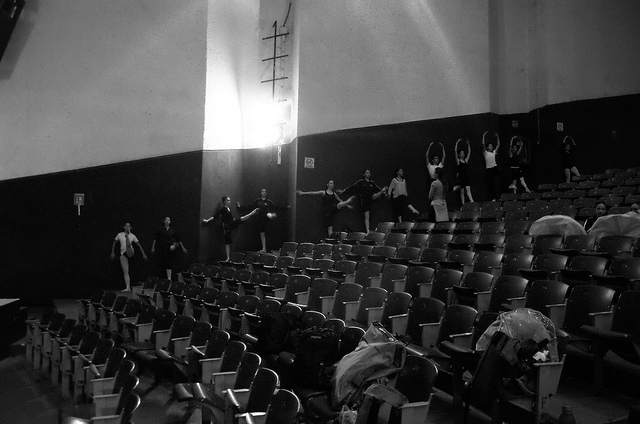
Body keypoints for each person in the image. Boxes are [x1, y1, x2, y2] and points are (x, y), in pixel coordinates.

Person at [202, 196, 258, 261]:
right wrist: (207, 220)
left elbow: (230, 217)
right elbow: (215, 216)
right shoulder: (223, 209)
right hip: (227, 226)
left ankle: (252, 213)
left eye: (229, 200)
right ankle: (228, 257)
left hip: (232, 223)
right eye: (228, 200)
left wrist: (234, 220)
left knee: (242, 219)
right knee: (227, 242)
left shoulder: (229, 209)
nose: (230, 201)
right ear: (224, 202)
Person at [110, 222, 148, 292]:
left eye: (129, 226)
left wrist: (144, 254)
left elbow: (138, 245)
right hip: (123, 253)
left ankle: (127, 237)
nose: (127, 227)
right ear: (124, 227)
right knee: (125, 271)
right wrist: (112, 252)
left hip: (130, 252)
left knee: (128, 246)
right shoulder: (120, 234)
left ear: (130, 228)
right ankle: (128, 287)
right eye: (126, 226)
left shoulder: (133, 236)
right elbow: (114, 243)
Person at [151, 216, 187, 280]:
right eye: (166, 220)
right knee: (162, 262)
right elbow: (155, 239)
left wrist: (183, 248)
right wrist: (153, 247)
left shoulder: (173, 230)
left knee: (169, 263)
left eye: (168, 220)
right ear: (164, 221)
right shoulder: (160, 230)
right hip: (162, 248)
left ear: (170, 222)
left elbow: (178, 239)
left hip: (170, 248)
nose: (167, 221)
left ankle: (169, 278)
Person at [243, 189, 277, 253]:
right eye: (262, 191)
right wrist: (240, 207)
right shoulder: (257, 201)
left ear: (266, 193)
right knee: (262, 234)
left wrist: (286, 207)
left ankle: (269, 248)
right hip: (260, 220)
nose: (264, 193)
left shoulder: (268, 201)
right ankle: (264, 248)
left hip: (267, 220)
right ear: (260, 193)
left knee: (268, 233)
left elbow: (276, 207)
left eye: (265, 191)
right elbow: (250, 206)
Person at [453, 138, 474, 204]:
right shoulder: (458, 161)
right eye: (461, 153)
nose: (463, 154)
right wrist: (457, 143)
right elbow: (455, 151)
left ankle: (471, 201)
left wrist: (468, 144)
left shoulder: (465, 161)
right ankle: (463, 203)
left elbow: (469, 152)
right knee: (462, 191)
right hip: (461, 177)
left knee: (468, 189)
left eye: (463, 153)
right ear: (459, 155)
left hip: (466, 176)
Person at [482, 130, 501, 201]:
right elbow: (483, 144)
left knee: (500, 176)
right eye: (490, 146)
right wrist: (483, 136)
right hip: (489, 169)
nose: (491, 147)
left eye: (492, 146)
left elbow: (498, 145)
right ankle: (492, 198)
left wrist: (497, 137)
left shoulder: (493, 152)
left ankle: (509, 185)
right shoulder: (486, 153)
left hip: (494, 167)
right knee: (491, 184)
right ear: (487, 148)